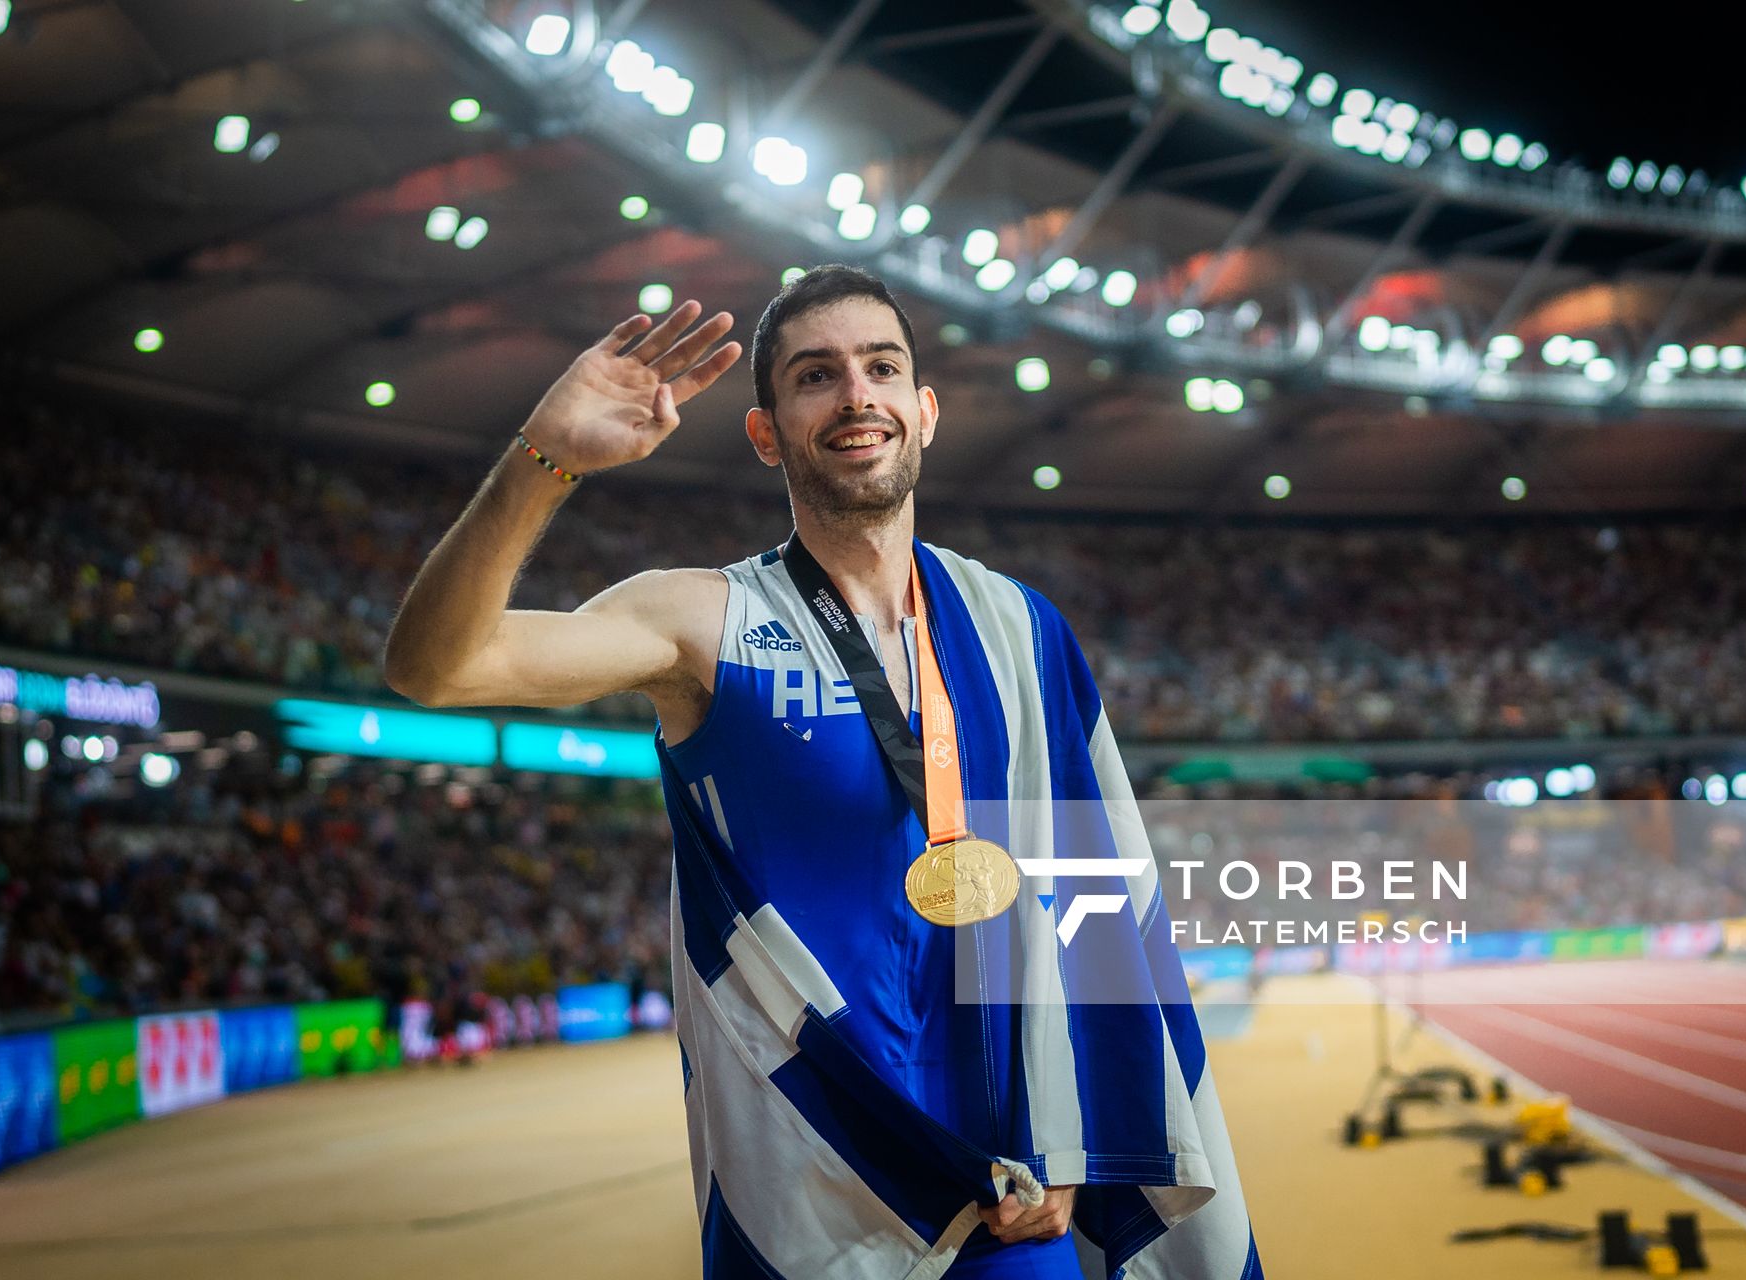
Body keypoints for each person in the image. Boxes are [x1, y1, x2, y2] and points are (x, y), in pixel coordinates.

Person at [385, 266, 1260, 1279]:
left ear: (922, 411)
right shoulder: (703, 621)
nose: (856, 394)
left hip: (1015, 1195)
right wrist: (545, 461)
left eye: (881, 367)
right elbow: (434, 666)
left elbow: (1093, 898)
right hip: (817, 1189)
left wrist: (1076, 1133)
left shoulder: (1021, 630)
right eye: (816, 375)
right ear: (766, 433)